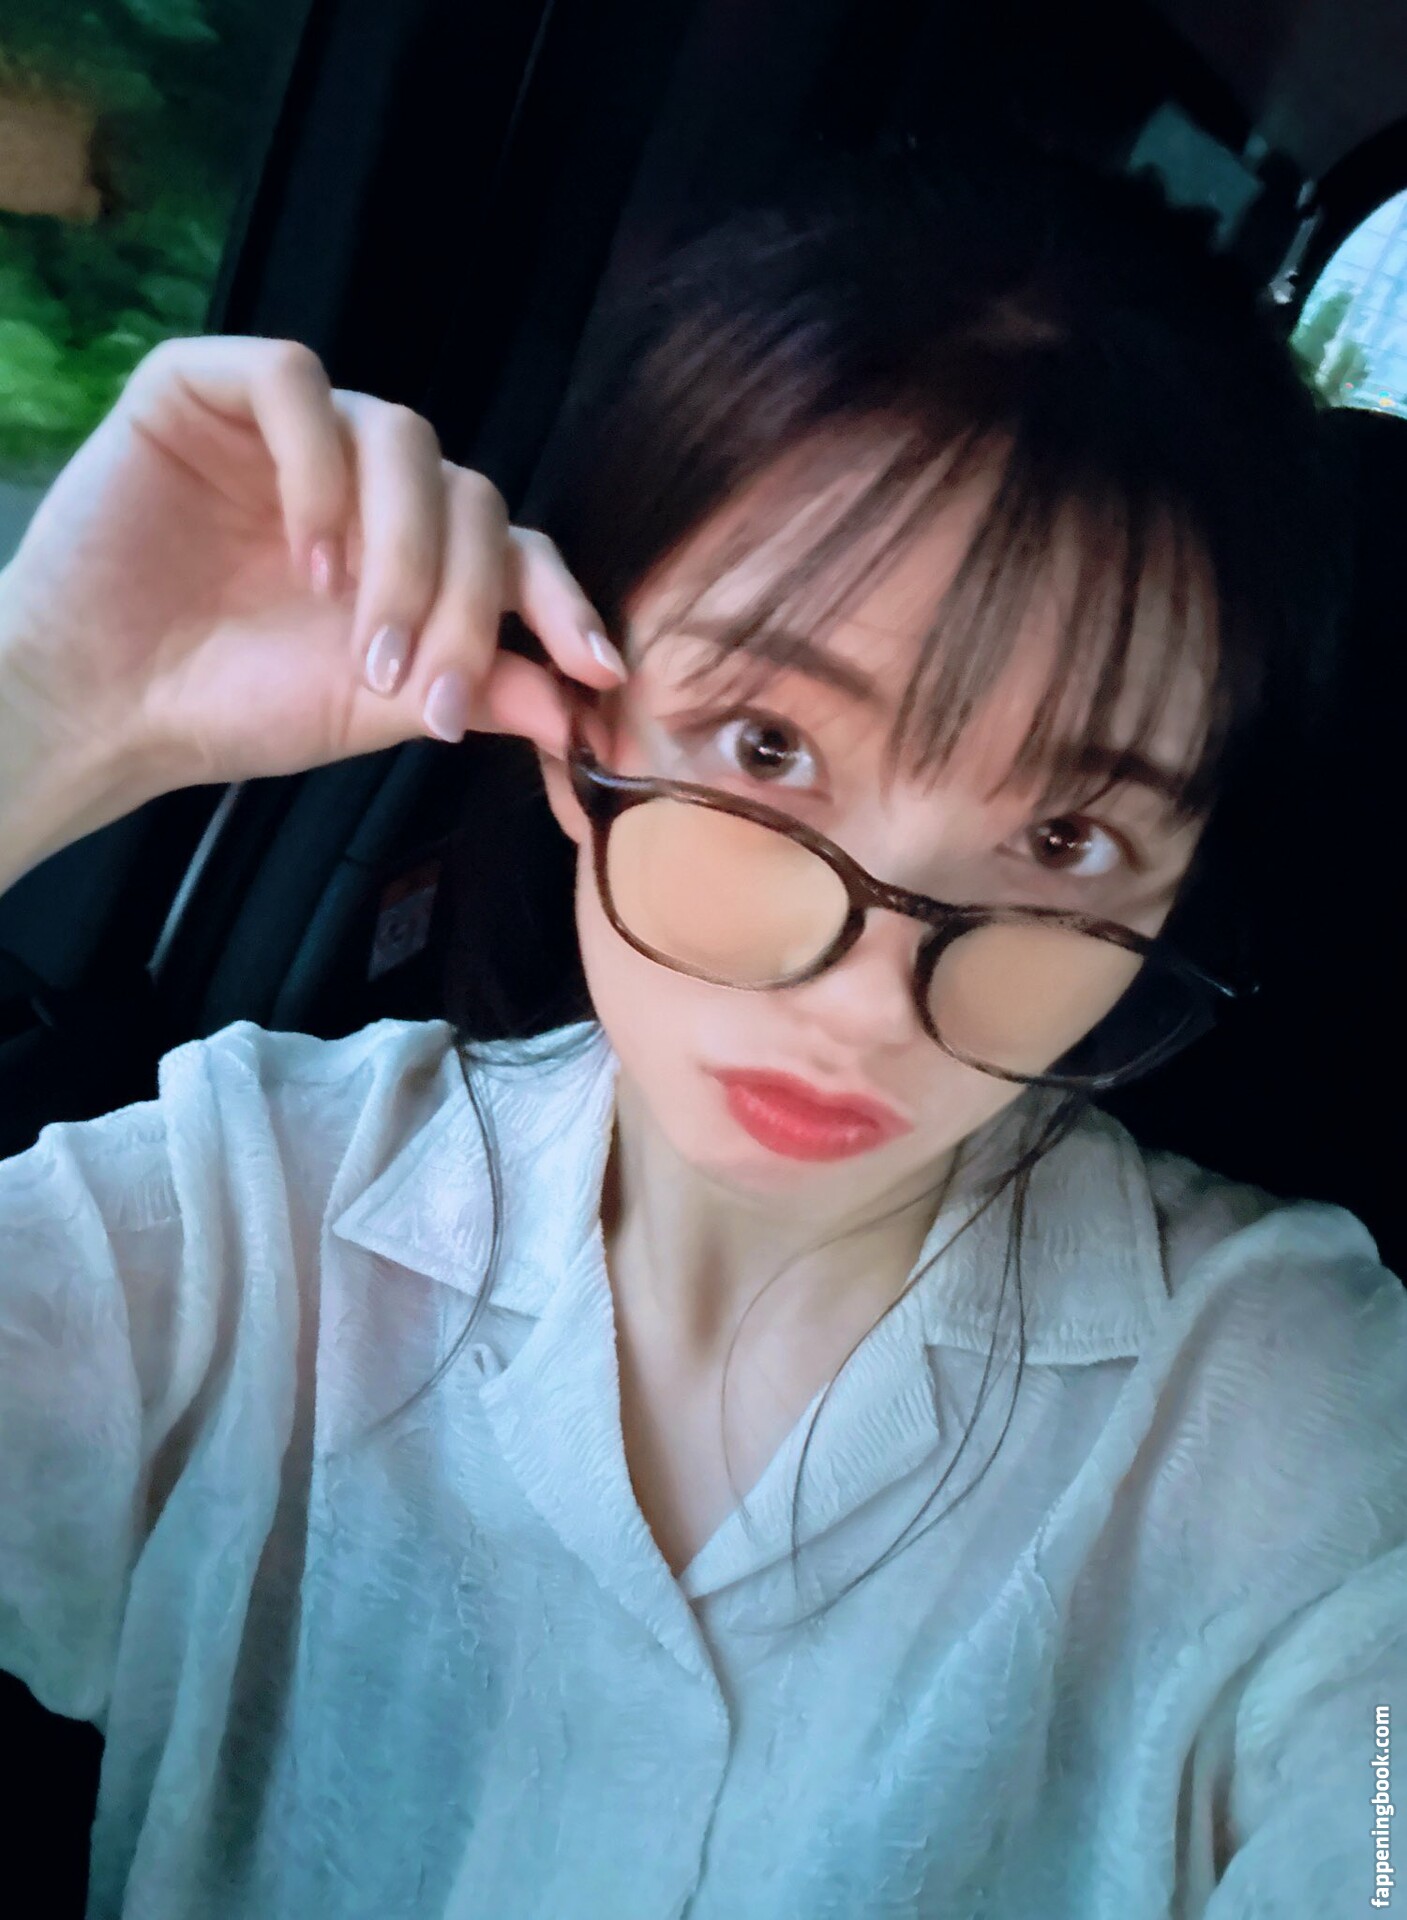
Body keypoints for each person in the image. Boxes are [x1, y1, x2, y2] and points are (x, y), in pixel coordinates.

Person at [0, 146, 1402, 1920]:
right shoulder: (248, 1222)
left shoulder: (1297, 1423)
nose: (868, 999)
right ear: (575, 714)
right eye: (768, 748)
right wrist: (44, 713)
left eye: (1064, 841)